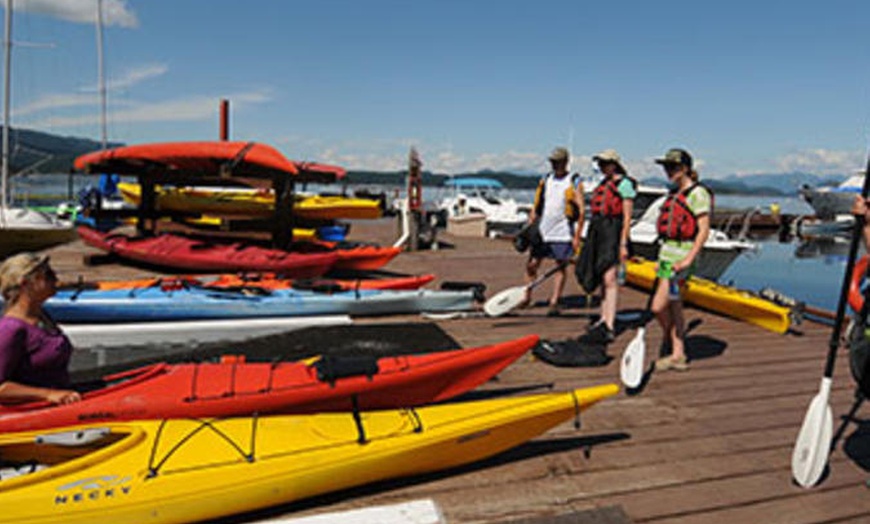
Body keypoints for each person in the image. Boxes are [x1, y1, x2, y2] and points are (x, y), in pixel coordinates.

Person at [651, 148, 712, 372]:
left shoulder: (698, 194)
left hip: (681, 258)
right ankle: (679, 353)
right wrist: (661, 259)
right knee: (675, 304)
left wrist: (688, 259)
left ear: (685, 168)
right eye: (666, 167)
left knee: (658, 307)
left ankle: (671, 340)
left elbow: (703, 230)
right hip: (667, 256)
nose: (668, 171)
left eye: (673, 167)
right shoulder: (675, 193)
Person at [0, 253, 81, 405]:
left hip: (63, 396)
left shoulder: (42, 317)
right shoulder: (10, 329)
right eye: (48, 275)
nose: (56, 280)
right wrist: (47, 394)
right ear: (26, 283)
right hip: (32, 410)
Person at [578, 149, 636, 343]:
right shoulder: (604, 183)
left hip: (613, 231)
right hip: (598, 231)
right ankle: (604, 318)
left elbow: (627, 216)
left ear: (614, 164)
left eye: (605, 163)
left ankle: (609, 324)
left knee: (610, 278)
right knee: (602, 276)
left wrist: (623, 243)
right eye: (600, 164)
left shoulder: (624, 184)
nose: (602, 167)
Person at [524, 147, 585, 316]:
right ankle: (526, 296)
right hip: (542, 230)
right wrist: (530, 226)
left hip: (563, 231)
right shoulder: (546, 180)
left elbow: (581, 210)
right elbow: (536, 206)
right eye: (553, 162)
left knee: (560, 266)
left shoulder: (574, 181)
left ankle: (554, 301)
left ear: (566, 162)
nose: (555, 165)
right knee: (532, 265)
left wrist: (577, 236)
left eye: (558, 162)